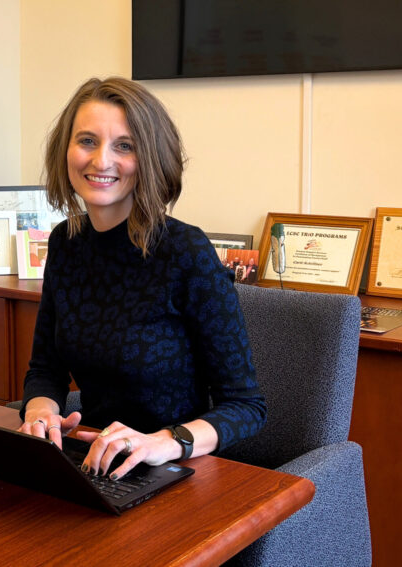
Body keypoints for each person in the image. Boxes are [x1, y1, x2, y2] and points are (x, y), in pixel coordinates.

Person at [18, 77, 266, 481]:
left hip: (175, 469)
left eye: (124, 146)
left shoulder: (185, 251)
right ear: (65, 150)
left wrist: (165, 441)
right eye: (86, 141)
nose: (101, 161)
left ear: (150, 158)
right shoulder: (66, 242)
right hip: (93, 461)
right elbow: (46, 368)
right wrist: (41, 411)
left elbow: (246, 407)